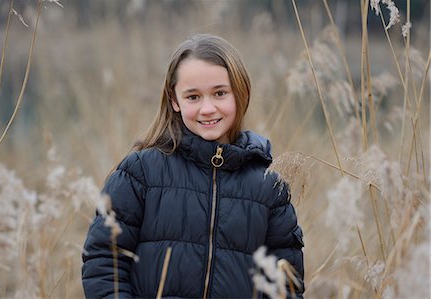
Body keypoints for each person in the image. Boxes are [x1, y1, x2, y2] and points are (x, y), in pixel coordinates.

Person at [82, 34, 304, 299]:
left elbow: (287, 283)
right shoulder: (140, 172)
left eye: (220, 93)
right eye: (193, 97)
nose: (207, 108)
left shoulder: (269, 186)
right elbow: (103, 263)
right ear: (175, 101)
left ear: (241, 93)